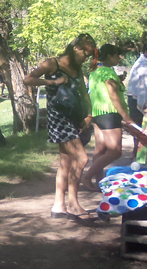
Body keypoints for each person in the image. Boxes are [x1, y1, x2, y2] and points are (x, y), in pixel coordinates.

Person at [24, 33, 97, 220]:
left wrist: (89, 116)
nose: (86, 58)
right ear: (76, 48)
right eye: (85, 54)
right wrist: (52, 82)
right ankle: (73, 204)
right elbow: (28, 79)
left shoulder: (78, 70)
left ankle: (59, 205)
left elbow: (84, 95)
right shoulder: (52, 64)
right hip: (58, 119)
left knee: (66, 162)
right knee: (81, 159)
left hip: (74, 119)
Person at [81, 44, 135, 190]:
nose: (119, 58)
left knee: (101, 149)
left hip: (98, 113)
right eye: (117, 55)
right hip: (109, 112)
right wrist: (126, 116)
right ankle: (87, 176)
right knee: (115, 150)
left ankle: (100, 181)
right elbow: (113, 95)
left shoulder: (95, 72)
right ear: (110, 56)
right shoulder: (108, 73)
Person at [127, 42, 147, 160]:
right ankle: (138, 161)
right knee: (141, 133)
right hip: (139, 102)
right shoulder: (142, 66)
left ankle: (138, 159)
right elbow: (142, 90)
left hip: (137, 100)